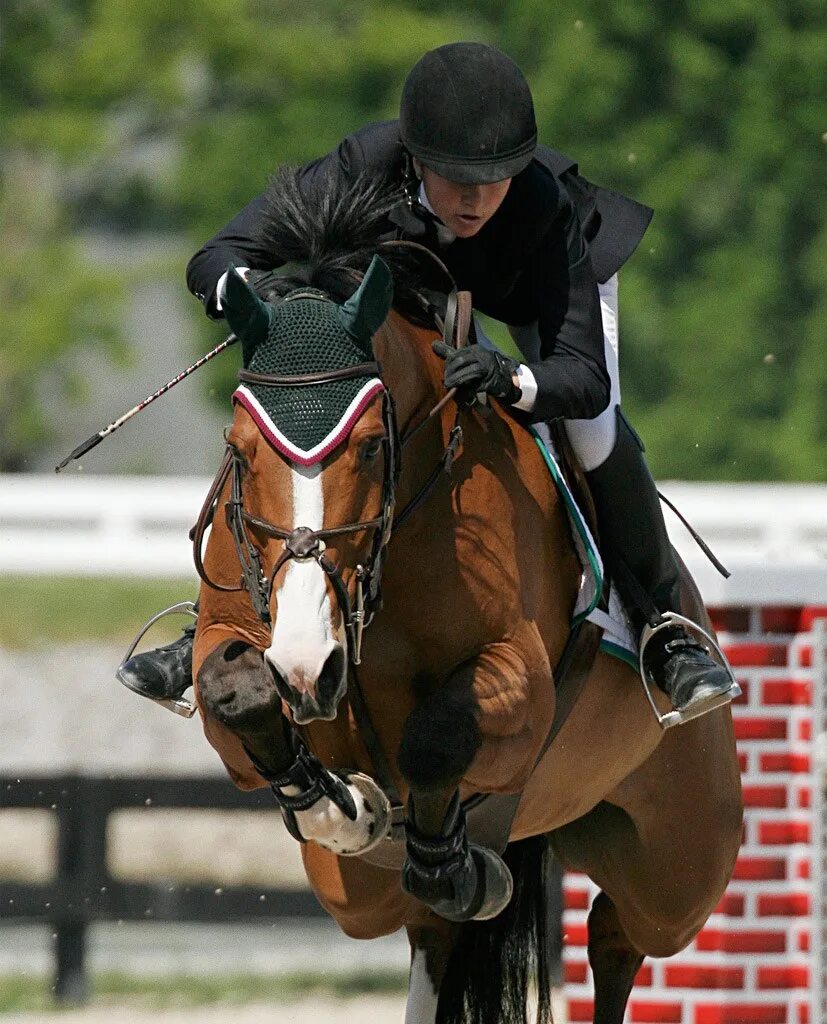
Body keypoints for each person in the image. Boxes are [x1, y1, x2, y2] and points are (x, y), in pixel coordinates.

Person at [118, 41, 735, 725]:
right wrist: (258, 291)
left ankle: (663, 626)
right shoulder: (363, 167)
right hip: (417, 296)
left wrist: (511, 378)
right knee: (301, 419)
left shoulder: (543, 206)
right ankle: (218, 622)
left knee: (593, 433)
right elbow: (217, 256)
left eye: (496, 178)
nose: (476, 199)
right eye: (455, 178)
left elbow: (583, 377)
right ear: (414, 159)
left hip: (533, 297)